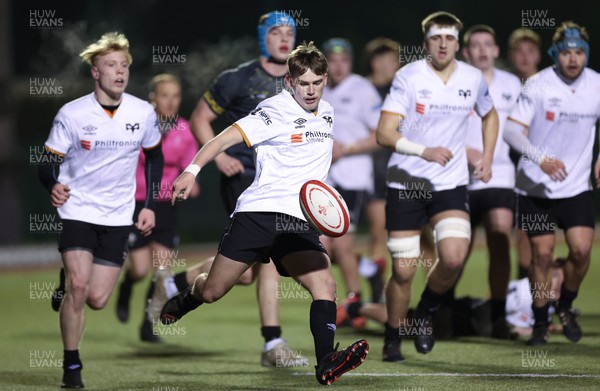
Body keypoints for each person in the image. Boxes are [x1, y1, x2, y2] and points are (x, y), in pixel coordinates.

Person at [159, 42, 368, 385]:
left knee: (325, 285)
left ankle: (326, 361)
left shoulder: (328, 111)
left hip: (298, 220)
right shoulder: (273, 109)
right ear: (289, 82)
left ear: (326, 80)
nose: (311, 90)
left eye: (317, 82)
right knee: (214, 290)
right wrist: (192, 171)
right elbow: (221, 141)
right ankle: (188, 297)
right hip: (258, 213)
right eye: (304, 83)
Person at [148, 11, 309, 367]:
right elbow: (200, 119)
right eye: (276, 32)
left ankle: (174, 284)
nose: (284, 38)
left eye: (289, 32)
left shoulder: (302, 81)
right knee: (268, 258)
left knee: (247, 271)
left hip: (282, 183)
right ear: (262, 38)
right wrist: (219, 159)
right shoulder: (237, 79)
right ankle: (273, 345)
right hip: (243, 179)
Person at [38, 32, 164, 388]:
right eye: (111, 65)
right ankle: (72, 367)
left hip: (117, 215)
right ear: (95, 71)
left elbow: (154, 156)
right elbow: (47, 162)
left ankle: (67, 282)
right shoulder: (73, 114)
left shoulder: (143, 112)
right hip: (77, 210)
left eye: (124, 65)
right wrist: (53, 184)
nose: (119, 72)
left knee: (95, 298)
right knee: (80, 286)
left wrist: (149, 205)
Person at [375, 11, 498, 362]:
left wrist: (487, 155)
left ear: (458, 43)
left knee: (455, 256)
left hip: (450, 182)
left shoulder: (473, 78)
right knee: (403, 269)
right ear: (426, 41)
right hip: (406, 183)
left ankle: (426, 311)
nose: (442, 44)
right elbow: (384, 133)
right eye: (435, 37)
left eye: (449, 38)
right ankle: (393, 336)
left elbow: (490, 114)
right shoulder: (408, 77)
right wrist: (422, 151)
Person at [504, 21, 600, 345]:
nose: (573, 59)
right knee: (542, 256)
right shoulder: (538, 84)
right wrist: (540, 157)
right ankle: (541, 321)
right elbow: (512, 130)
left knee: (581, 250)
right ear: (555, 54)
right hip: (535, 187)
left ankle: (567, 305)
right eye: (567, 53)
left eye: (579, 52)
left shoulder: (596, 84)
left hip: (576, 186)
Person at [114, 74, 199, 342]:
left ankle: (148, 323)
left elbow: (190, 166)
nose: (171, 101)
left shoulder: (184, 130)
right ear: (152, 98)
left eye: (176, 96)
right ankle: (127, 287)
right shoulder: (137, 126)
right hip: (137, 203)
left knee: (162, 272)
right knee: (139, 269)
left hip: (167, 205)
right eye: (165, 95)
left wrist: (191, 182)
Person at [461, 24, 522, 338]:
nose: (482, 50)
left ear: (497, 51)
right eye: (475, 45)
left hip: (500, 176)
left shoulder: (513, 84)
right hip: (459, 179)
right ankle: (441, 310)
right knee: (457, 250)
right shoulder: (455, 83)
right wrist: (469, 154)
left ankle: (499, 316)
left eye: (488, 44)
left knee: (499, 238)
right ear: (465, 51)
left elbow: (525, 128)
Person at [319, 38, 381, 329]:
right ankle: (359, 280)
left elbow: (381, 134)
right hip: (325, 180)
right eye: (333, 59)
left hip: (353, 178)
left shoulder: (362, 89)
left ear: (351, 62)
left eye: (344, 59)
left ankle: (353, 303)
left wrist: (347, 149)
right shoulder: (317, 90)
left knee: (341, 246)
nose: (338, 64)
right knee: (322, 247)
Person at [507, 28, 542, 281]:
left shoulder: (550, 86)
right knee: (519, 233)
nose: (525, 57)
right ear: (510, 56)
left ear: (539, 55)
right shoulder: (504, 87)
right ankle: (519, 292)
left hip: (542, 168)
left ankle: (540, 296)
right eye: (520, 51)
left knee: (538, 235)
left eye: (530, 51)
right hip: (508, 168)